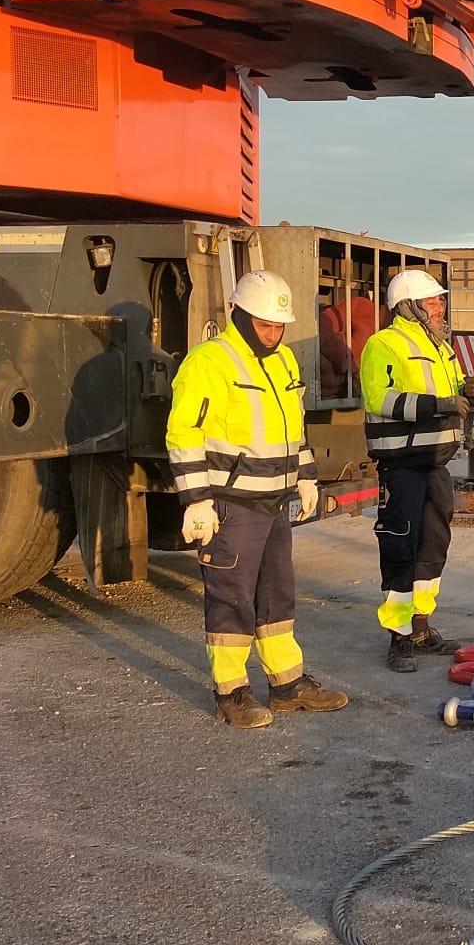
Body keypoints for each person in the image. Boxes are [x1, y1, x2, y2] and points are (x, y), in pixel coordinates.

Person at [166, 269, 348, 727]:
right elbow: (183, 432)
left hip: (274, 503)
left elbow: (293, 428)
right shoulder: (210, 361)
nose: (273, 333)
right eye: (265, 325)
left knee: (277, 596)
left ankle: (286, 685)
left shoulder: (284, 360)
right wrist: (197, 501)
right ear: (241, 316)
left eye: (279, 326)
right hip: (232, 504)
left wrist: (306, 477)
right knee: (231, 599)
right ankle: (232, 693)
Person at [359, 268, 474, 672]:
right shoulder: (384, 345)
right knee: (400, 548)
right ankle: (398, 639)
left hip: (435, 465)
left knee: (433, 548)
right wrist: (440, 405)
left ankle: (421, 627)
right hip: (401, 467)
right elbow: (379, 398)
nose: (441, 307)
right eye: (434, 301)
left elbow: (449, 390)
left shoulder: (440, 347)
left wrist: (470, 389)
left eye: (440, 300)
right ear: (411, 306)